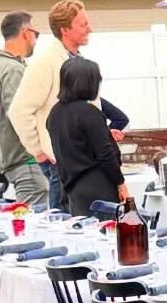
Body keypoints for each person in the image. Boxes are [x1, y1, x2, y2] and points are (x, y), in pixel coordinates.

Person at [9, 0, 128, 209]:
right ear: (65, 29)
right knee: (66, 224)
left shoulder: (73, 59)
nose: (89, 29)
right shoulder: (46, 61)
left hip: (85, 162)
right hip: (62, 162)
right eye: (83, 24)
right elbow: (19, 110)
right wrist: (39, 151)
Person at [45, 56, 130, 218]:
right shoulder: (89, 113)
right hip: (99, 186)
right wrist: (121, 184)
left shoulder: (55, 113)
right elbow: (105, 154)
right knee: (108, 235)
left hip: (72, 187)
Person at [0, 11, 48, 206]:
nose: (36, 40)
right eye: (36, 34)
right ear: (26, 32)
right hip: (26, 160)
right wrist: (39, 150)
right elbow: (20, 114)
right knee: (33, 222)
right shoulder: (13, 69)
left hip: (14, 159)